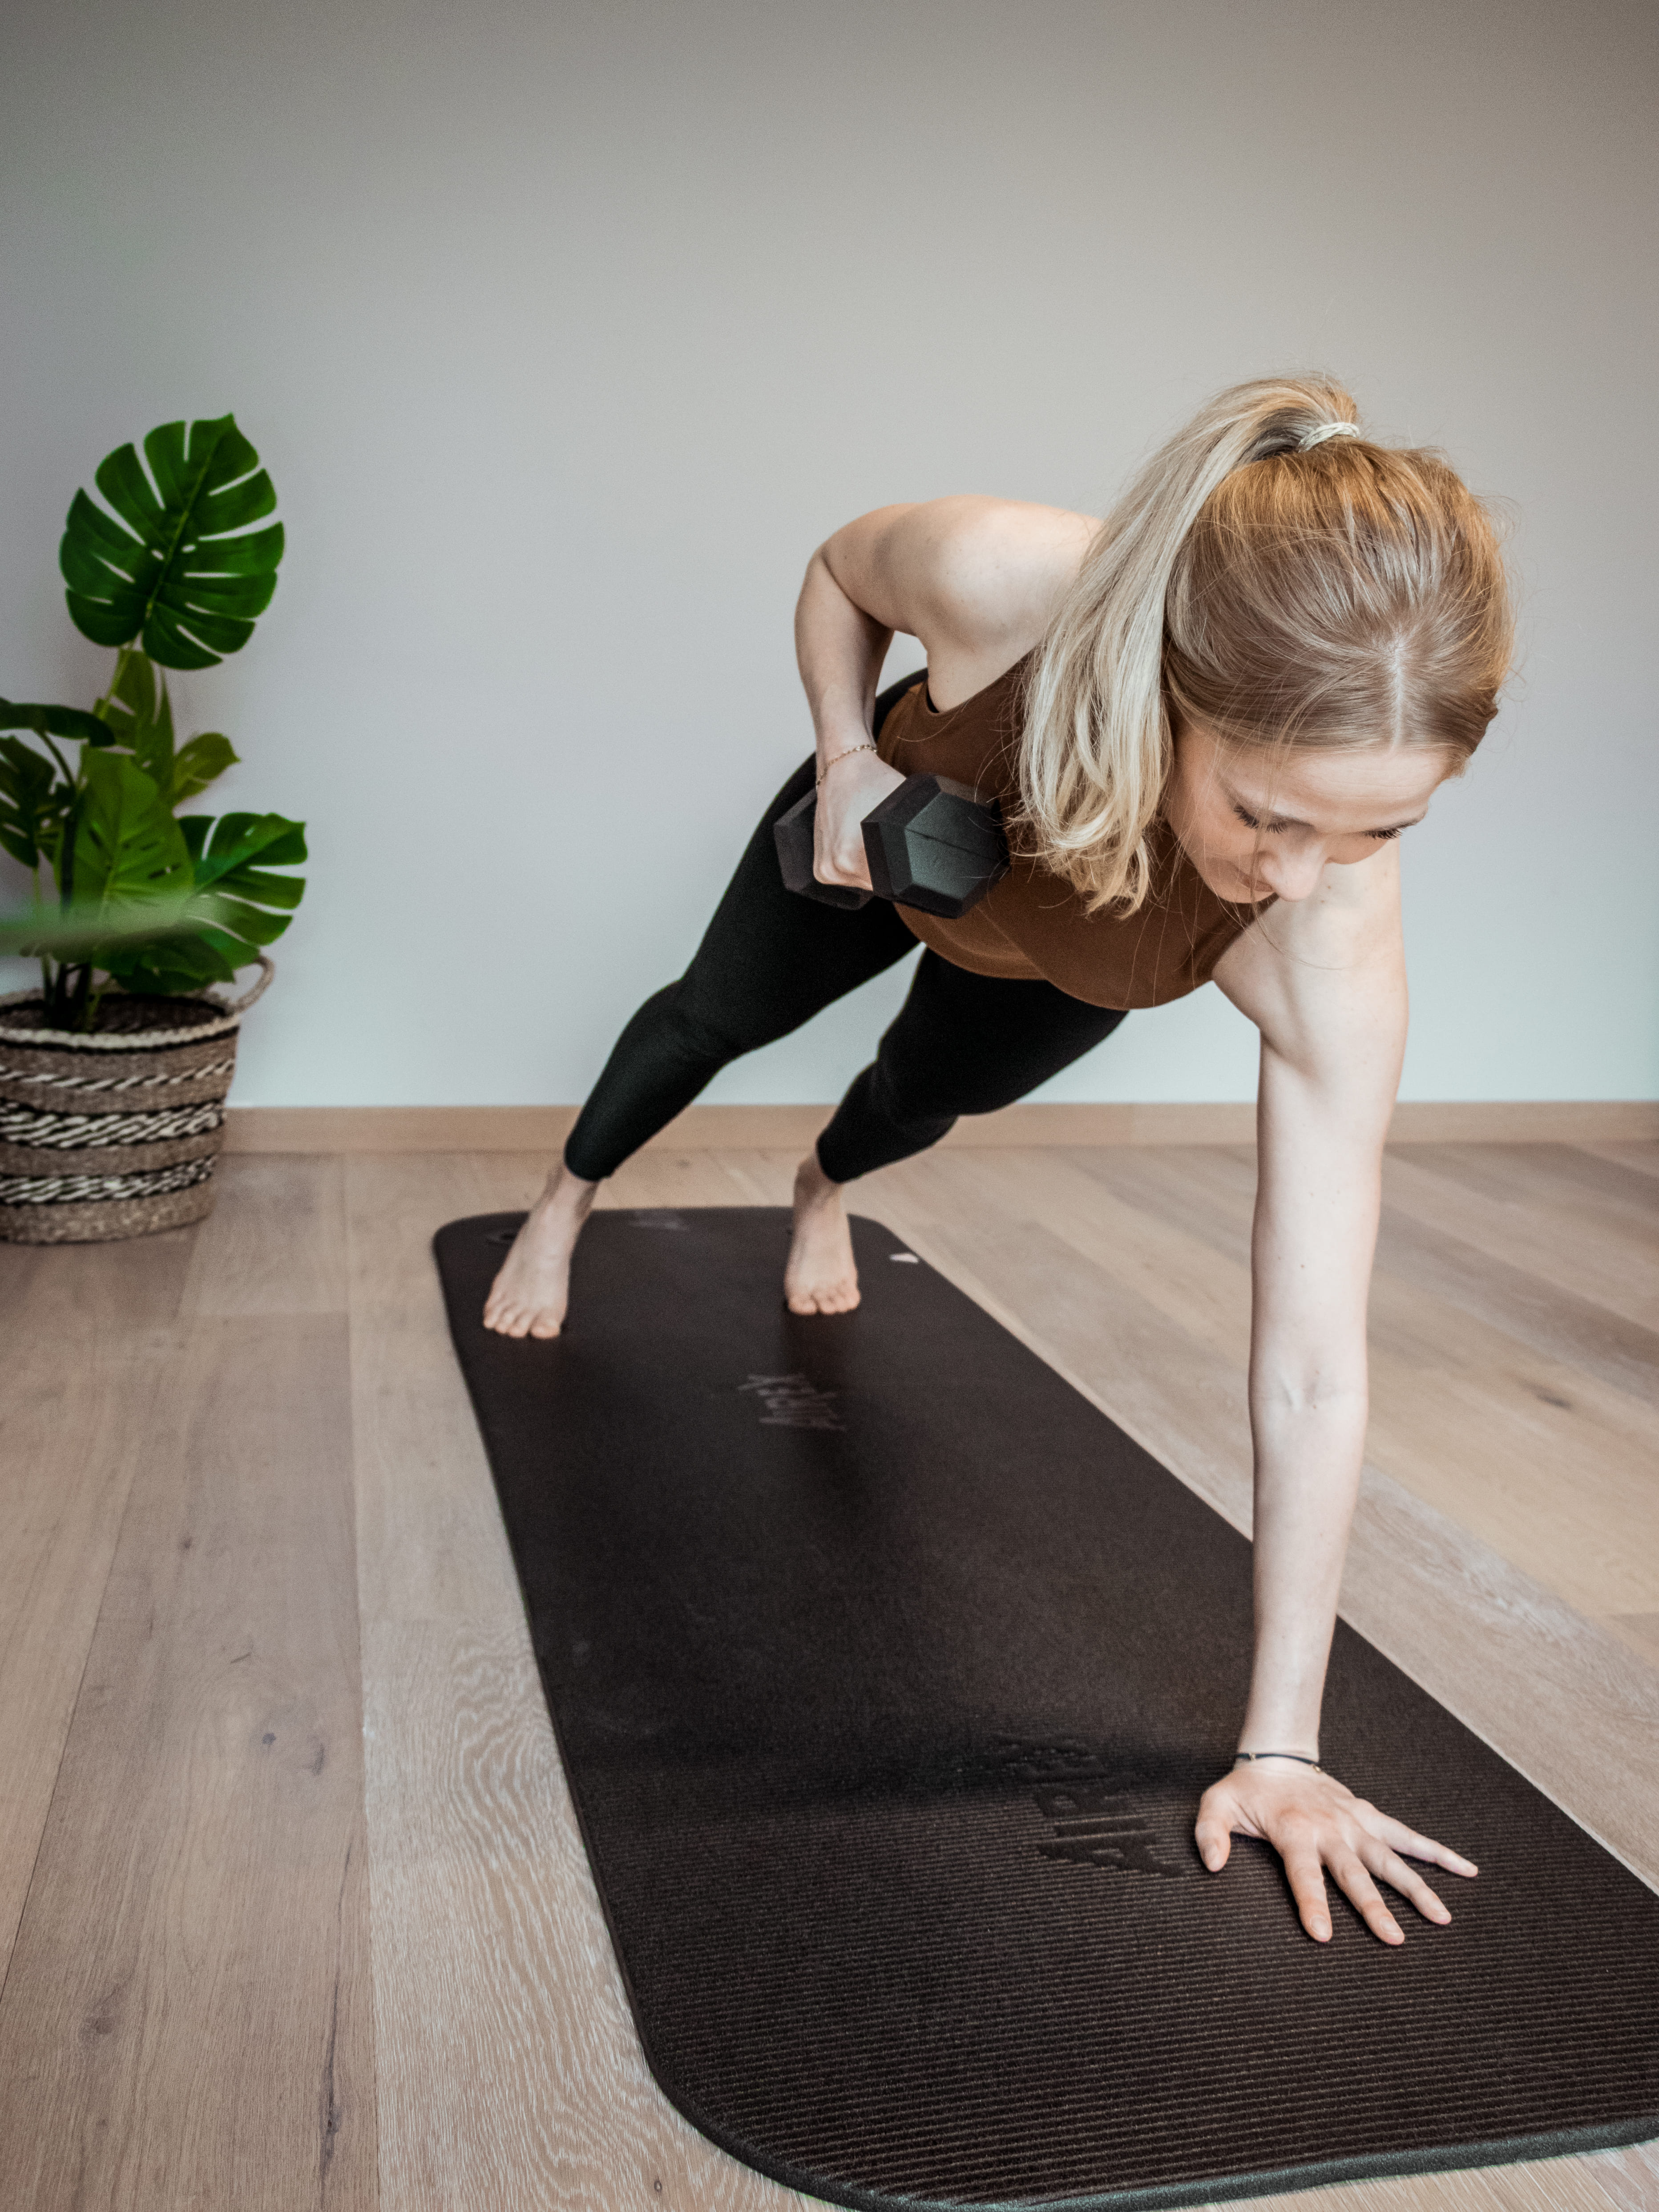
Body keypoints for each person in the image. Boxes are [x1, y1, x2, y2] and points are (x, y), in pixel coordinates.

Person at [484, 374, 1511, 1947]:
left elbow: (1312, 1361)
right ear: (1176, 689)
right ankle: (565, 1202)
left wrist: (1283, 1745)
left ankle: (820, 1189)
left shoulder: (1325, 936)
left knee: (911, 1105)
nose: (1305, 877)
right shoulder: (1008, 578)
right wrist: (839, 748)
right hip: (880, 848)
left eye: (1379, 830)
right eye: (1266, 813)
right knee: (707, 1022)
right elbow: (839, 571)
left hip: (1042, 960)